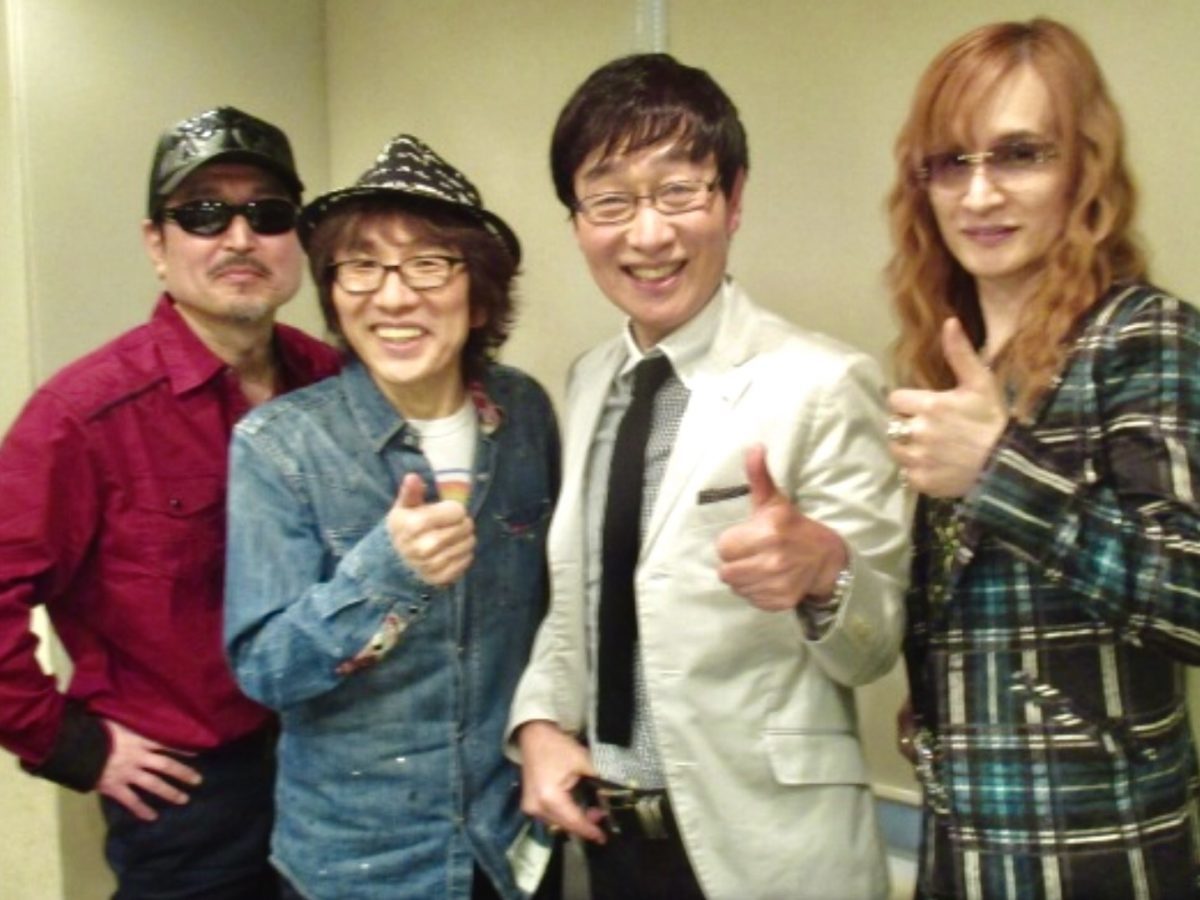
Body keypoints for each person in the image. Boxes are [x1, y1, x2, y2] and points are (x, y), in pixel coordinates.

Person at [507, 53, 908, 900]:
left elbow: (875, 648)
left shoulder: (821, 382)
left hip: (766, 846)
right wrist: (539, 722)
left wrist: (825, 571)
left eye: (678, 192)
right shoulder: (589, 382)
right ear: (577, 220)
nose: (648, 234)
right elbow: (580, 599)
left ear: (734, 199)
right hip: (608, 838)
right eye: (610, 201)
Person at [886, 17, 1200, 899]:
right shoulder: (955, 358)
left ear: (1084, 168)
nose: (980, 194)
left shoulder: (1145, 337)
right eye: (952, 162)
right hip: (963, 849)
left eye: (1020, 155)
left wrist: (998, 470)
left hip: (1099, 858)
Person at [0, 106, 340, 898]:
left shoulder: (336, 384)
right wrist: (71, 745)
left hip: (336, 770)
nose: (239, 238)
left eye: (268, 214)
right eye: (203, 214)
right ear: (157, 244)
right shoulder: (82, 417)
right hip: (191, 802)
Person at [223, 134, 562, 900]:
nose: (393, 297)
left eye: (429, 265)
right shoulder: (280, 446)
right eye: (361, 267)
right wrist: (385, 575)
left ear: (480, 296)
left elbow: (555, 609)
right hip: (359, 869)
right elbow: (265, 670)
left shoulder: (525, 414)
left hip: (508, 844)